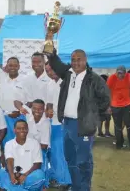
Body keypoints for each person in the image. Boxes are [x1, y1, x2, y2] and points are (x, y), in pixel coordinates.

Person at [46, 48, 110, 191]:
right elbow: (57, 65)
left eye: (79, 59)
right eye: (73, 60)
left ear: (85, 60)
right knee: (70, 159)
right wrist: (52, 55)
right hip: (67, 124)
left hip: (83, 125)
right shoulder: (68, 74)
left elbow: (105, 99)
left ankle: (84, 188)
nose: (75, 63)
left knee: (83, 161)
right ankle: (76, 187)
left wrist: (91, 114)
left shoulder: (94, 79)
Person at [0, 119, 46, 191]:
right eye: (19, 128)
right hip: (13, 175)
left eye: (24, 128)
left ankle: (12, 188)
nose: (22, 130)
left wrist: (25, 175)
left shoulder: (34, 143)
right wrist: (12, 175)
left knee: (40, 175)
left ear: (27, 130)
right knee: (0, 173)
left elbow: (37, 164)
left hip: (29, 176)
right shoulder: (9, 144)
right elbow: (9, 160)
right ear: (14, 130)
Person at [45, 62, 71, 189]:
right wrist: (48, 110)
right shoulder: (49, 84)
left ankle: (66, 180)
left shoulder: (66, 82)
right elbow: (49, 104)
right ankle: (58, 178)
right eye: (48, 71)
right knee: (54, 153)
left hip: (64, 123)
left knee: (62, 153)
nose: (50, 72)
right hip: (52, 123)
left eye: (52, 69)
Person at [107, 66, 130, 150]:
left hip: (127, 104)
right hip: (115, 105)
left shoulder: (129, 77)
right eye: (118, 73)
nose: (120, 75)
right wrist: (108, 106)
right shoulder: (112, 78)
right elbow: (107, 92)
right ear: (116, 72)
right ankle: (119, 144)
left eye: (122, 73)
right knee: (117, 126)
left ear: (125, 73)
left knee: (129, 124)